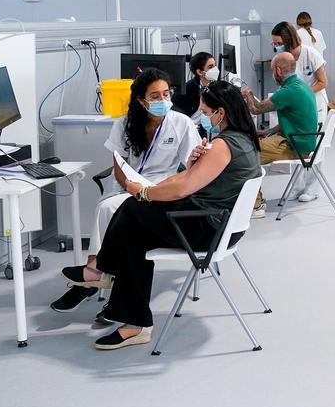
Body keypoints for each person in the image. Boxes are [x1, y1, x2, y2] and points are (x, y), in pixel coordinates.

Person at [59, 81, 260, 350]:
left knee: (131, 208)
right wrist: (190, 166)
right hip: (221, 224)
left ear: (220, 113)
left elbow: (184, 188)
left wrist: (143, 193)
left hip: (208, 227)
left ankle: (103, 273)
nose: (203, 118)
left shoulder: (223, 145)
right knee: (134, 236)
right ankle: (132, 321)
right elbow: (191, 178)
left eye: (205, 111)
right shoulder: (244, 140)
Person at [49, 68, 201, 319]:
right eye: (155, 96)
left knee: (112, 210)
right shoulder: (124, 124)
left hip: (161, 188)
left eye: (166, 94)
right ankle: (97, 276)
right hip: (128, 185)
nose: (163, 100)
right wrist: (130, 187)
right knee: (110, 207)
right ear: (141, 100)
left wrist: (153, 189)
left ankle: (94, 276)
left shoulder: (181, 123)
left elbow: (192, 166)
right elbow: (118, 165)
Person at [244, 52, 321, 217]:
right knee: (252, 146)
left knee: (248, 154)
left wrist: (247, 94)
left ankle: (256, 206)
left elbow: (256, 108)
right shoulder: (302, 85)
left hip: (295, 145)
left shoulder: (288, 91)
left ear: (278, 70)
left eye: (272, 70)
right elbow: (295, 119)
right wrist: (268, 131)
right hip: (300, 139)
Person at [270, 21, 329, 121]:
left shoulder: (311, 54)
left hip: (315, 102)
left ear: (289, 40)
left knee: (312, 133)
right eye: (274, 44)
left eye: (279, 43)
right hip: (296, 104)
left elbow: (323, 82)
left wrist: (302, 93)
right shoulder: (281, 58)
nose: (277, 47)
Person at [175, 51, 246, 126]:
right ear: (200, 72)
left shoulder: (214, 87)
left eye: (215, 65)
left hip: (201, 128)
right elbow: (179, 119)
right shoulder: (187, 91)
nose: (215, 69)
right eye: (210, 67)